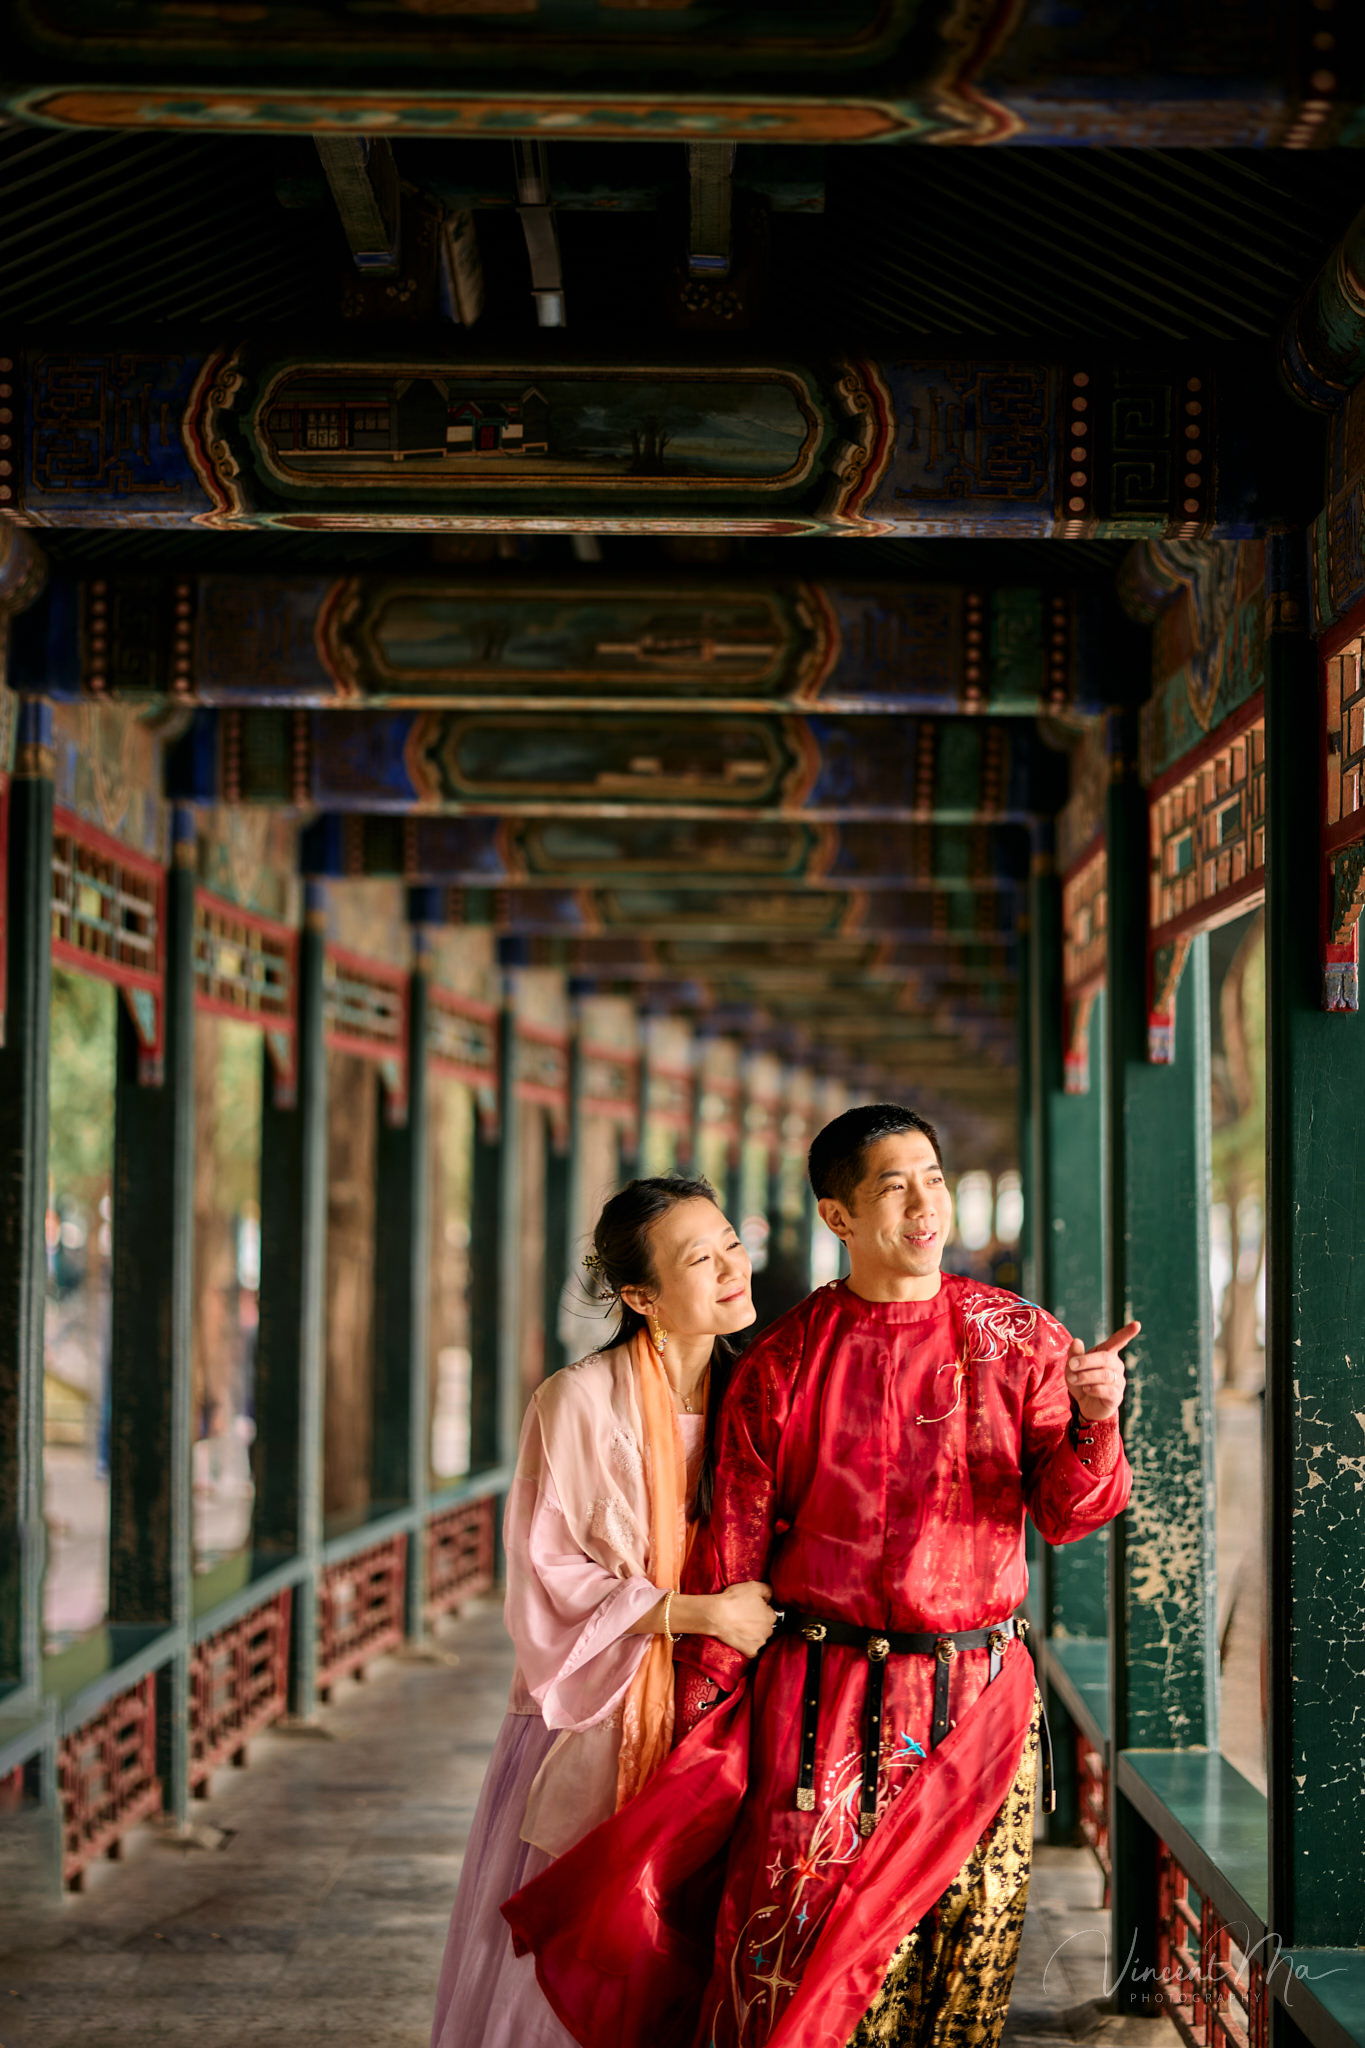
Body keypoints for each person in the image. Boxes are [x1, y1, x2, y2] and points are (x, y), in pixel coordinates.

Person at [504, 1104, 1136, 2048]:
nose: (924, 1203)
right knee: (798, 1985)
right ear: (837, 1218)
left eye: (932, 1176)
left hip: (979, 1701)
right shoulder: (781, 1363)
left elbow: (1067, 1515)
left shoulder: (1021, 1339)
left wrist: (1096, 1420)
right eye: (893, 1185)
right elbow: (735, 1560)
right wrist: (688, 1744)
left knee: (961, 1973)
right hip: (820, 1711)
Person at [430, 1173, 776, 2048]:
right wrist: (696, 1616)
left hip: (729, 1710)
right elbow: (548, 1575)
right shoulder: (577, 1401)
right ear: (638, 1296)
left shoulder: (767, 1390)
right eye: (700, 1259)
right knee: (584, 1947)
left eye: (731, 1242)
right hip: (598, 1711)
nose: (732, 1268)